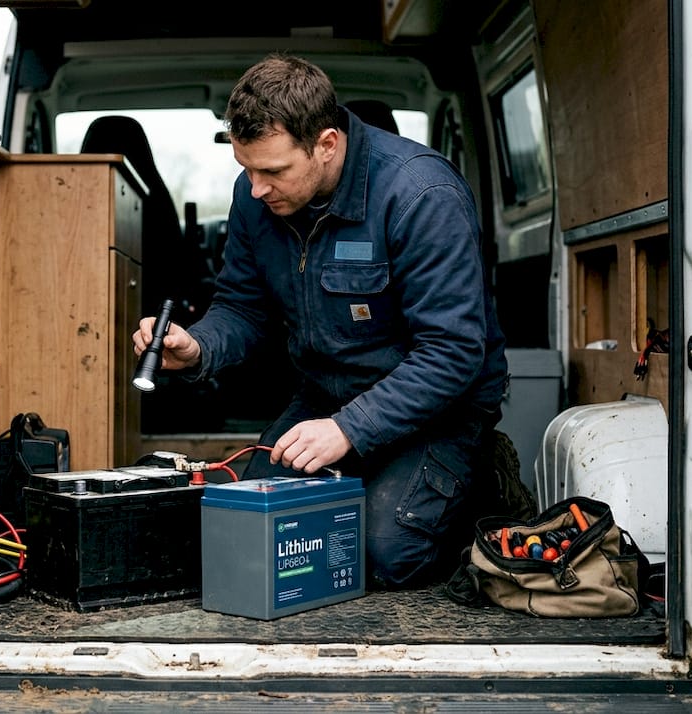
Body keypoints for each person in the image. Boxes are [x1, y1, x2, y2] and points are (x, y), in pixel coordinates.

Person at [132, 54, 508, 589]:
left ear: (327, 144)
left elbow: (452, 354)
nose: (256, 188)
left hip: (437, 410)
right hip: (325, 399)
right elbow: (241, 306)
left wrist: (348, 430)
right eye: (246, 168)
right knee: (240, 530)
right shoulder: (256, 196)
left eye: (274, 171)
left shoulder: (421, 196)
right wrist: (197, 347)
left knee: (383, 557)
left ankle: (478, 488)